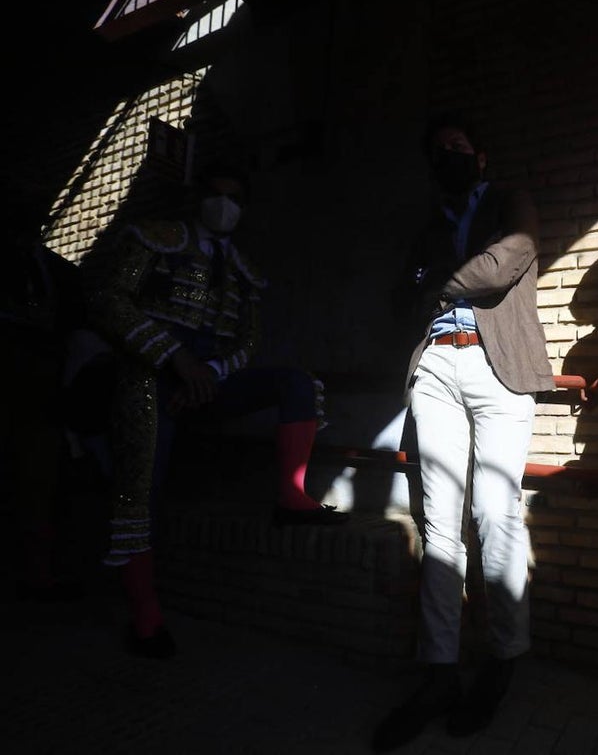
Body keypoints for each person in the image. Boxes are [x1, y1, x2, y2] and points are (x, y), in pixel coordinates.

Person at [84, 161, 347, 660]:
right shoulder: (154, 238)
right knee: (139, 495)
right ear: (197, 199)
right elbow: (109, 301)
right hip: (147, 374)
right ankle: (146, 618)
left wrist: (212, 374)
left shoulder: (243, 272)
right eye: (216, 194)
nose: (224, 205)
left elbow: (248, 340)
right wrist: (175, 360)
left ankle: (292, 499)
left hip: (205, 381)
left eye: (235, 198)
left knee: (297, 383)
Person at [371, 111, 554, 752]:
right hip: (436, 370)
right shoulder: (428, 228)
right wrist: (425, 292)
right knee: (439, 520)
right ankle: (440, 670)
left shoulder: (509, 201)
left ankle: (502, 659)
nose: (448, 155)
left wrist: (441, 286)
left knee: (495, 511)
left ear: (480, 156)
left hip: (498, 366)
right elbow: (399, 298)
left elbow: (513, 257)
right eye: (437, 150)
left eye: (458, 146)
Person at [1, 191, 87, 601]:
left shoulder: (56, 270)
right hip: (16, 378)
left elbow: (74, 317)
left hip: (44, 392)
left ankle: (38, 575)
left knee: (39, 482)